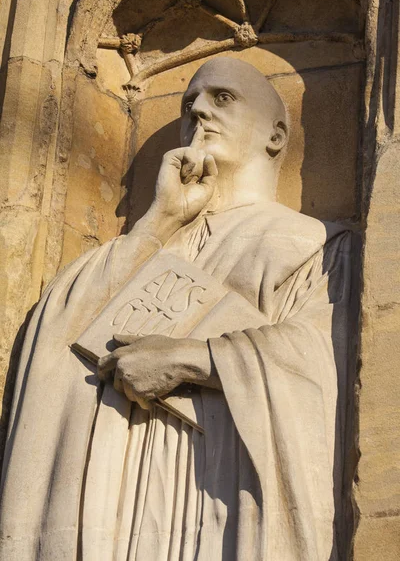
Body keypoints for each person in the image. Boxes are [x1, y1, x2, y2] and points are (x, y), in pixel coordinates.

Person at [0, 58, 351, 560]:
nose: (199, 111)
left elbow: (317, 360)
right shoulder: (141, 243)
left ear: (276, 136)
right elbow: (50, 345)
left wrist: (190, 360)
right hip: (118, 498)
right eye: (189, 103)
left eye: (222, 98)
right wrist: (158, 221)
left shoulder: (316, 245)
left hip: (226, 491)